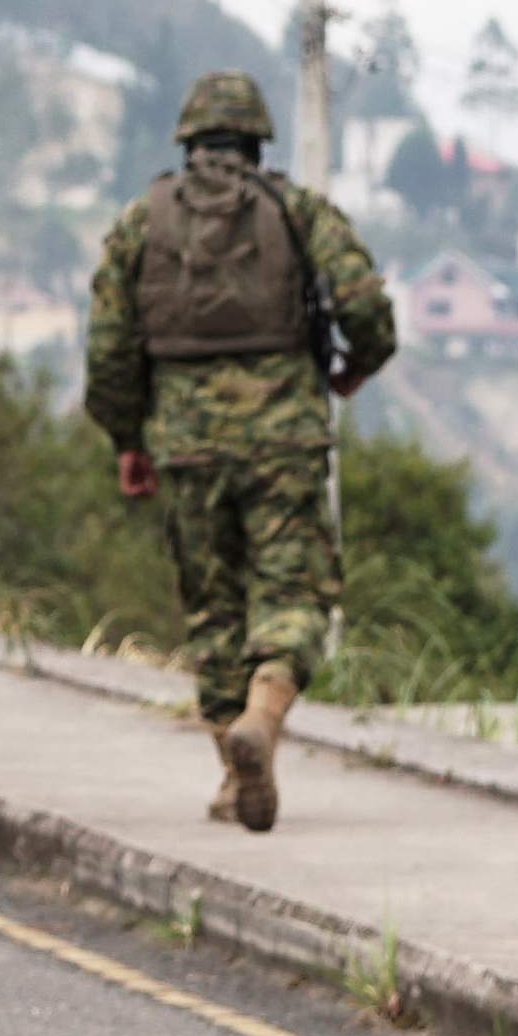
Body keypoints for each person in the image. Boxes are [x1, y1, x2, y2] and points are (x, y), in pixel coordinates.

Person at [79, 70, 392, 829]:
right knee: (295, 593)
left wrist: (129, 437)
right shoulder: (297, 210)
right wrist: (356, 366)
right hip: (284, 437)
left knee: (212, 610)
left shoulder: (140, 222)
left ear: (188, 140)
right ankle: (266, 710)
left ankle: (233, 765)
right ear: (257, 139)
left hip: (186, 445)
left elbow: (111, 349)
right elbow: (365, 304)